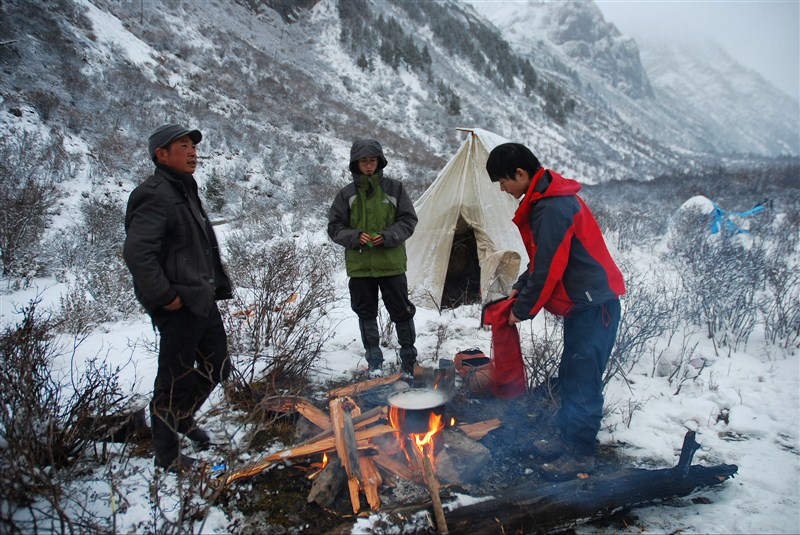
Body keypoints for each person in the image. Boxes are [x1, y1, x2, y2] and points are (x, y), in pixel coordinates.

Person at [485, 142, 625, 481]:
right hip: (585, 304)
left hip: (595, 306)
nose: (503, 190)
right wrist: (521, 285)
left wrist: (523, 309)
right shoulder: (547, 199)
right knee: (571, 374)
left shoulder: (553, 206)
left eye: (503, 182)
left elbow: (550, 266)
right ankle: (567, 440)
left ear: (520, 173)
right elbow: (543, 256)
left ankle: (579, 455)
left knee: (582, 382)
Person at [123, 123, 233, 474]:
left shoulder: (184, 189)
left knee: (218, 366)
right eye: (183, 146)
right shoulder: (154, 193)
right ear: (161, 154)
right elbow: (139, 254)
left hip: (201, 297)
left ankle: (183, 417)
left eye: (193, 146)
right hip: (180, 304)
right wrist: (165, 297)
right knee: (174, 379)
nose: (192, 152)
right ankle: (167, 454)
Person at [327, 139, 419, 376]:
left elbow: (408, 220)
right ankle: (374, 362)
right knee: (366, 313)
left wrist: (389, 236)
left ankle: (409, 360)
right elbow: (334, 227)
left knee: (402, 312)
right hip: (360, 268)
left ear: (379, 162)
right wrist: (356, 236)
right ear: (355, 164)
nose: (368, 166)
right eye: (363, 161)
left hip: (391, 265)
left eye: (372, 161)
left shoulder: (394, 189)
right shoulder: (346, 194)